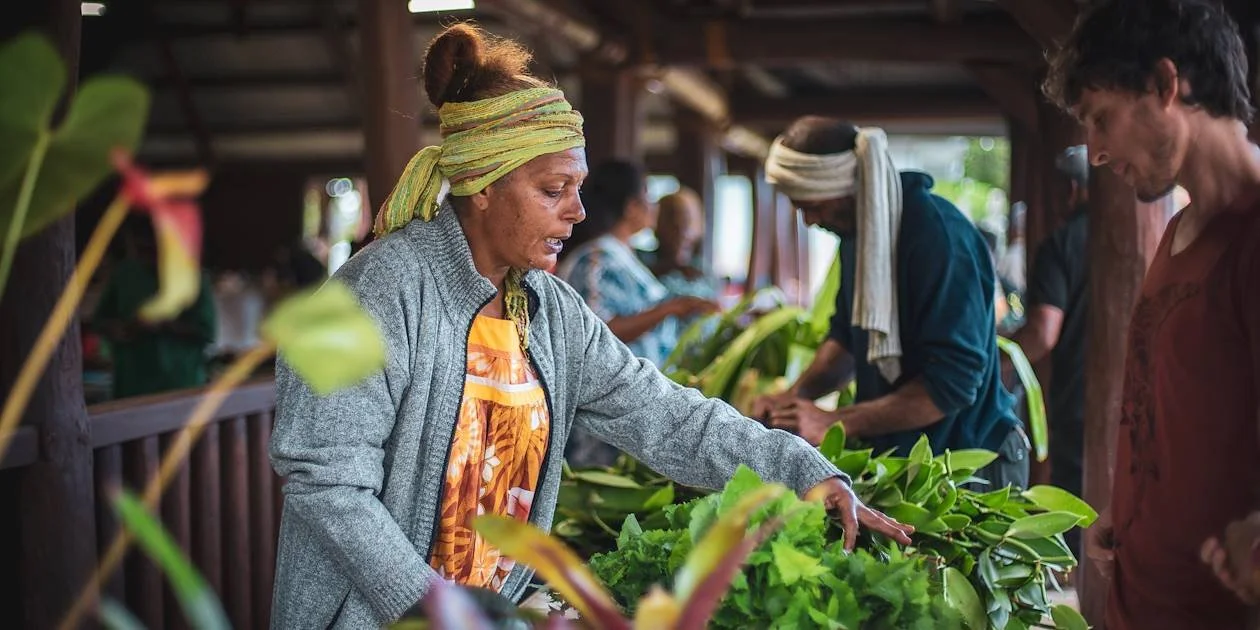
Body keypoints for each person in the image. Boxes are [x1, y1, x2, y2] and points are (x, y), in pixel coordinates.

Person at [268, 24, 912, 629]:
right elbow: (326, 484)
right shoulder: (368, 296)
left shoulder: (550, 310)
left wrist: (804, 470)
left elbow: (667, 417)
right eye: (554, 189)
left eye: (578, 187)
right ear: (481, 185)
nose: (578, 212)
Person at [1042, 1, 1260, 627]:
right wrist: (1131, 506)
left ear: (1168, 85)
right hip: (1140, 602)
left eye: (1102, 120)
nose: (1098, 153)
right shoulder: (1177, 233)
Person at [748, 117, 1028, 491]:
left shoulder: (938, 238)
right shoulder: (857, 238)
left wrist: (835, 421)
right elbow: (847, 340)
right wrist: (792, 398)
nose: (810, 221)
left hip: (970, 464)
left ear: (844, 188)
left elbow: (952, 387)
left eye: (812, 206)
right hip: (905, 461)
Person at [1002, 144, 1091, 559]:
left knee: (1078, 503)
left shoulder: (1061, 243)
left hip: (1078, 397)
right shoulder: (1161, 231)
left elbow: (1042, 331)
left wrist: (997, 363)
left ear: (1074, 188)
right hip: (1145, 398)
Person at [93, 216, 217, 399]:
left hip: (179, 385)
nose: (144, 256)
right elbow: (100, 321)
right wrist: (120, 329)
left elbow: (207, 332)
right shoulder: (124, 274)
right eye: (137, 249)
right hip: (131, 386)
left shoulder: (191, 276)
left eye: (149, 249)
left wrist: (163, 326)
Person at [648, 186, 721, 301]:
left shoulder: (702, 269)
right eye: (670, 219)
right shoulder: (642, 264)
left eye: (687, 220)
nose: (681, 229)